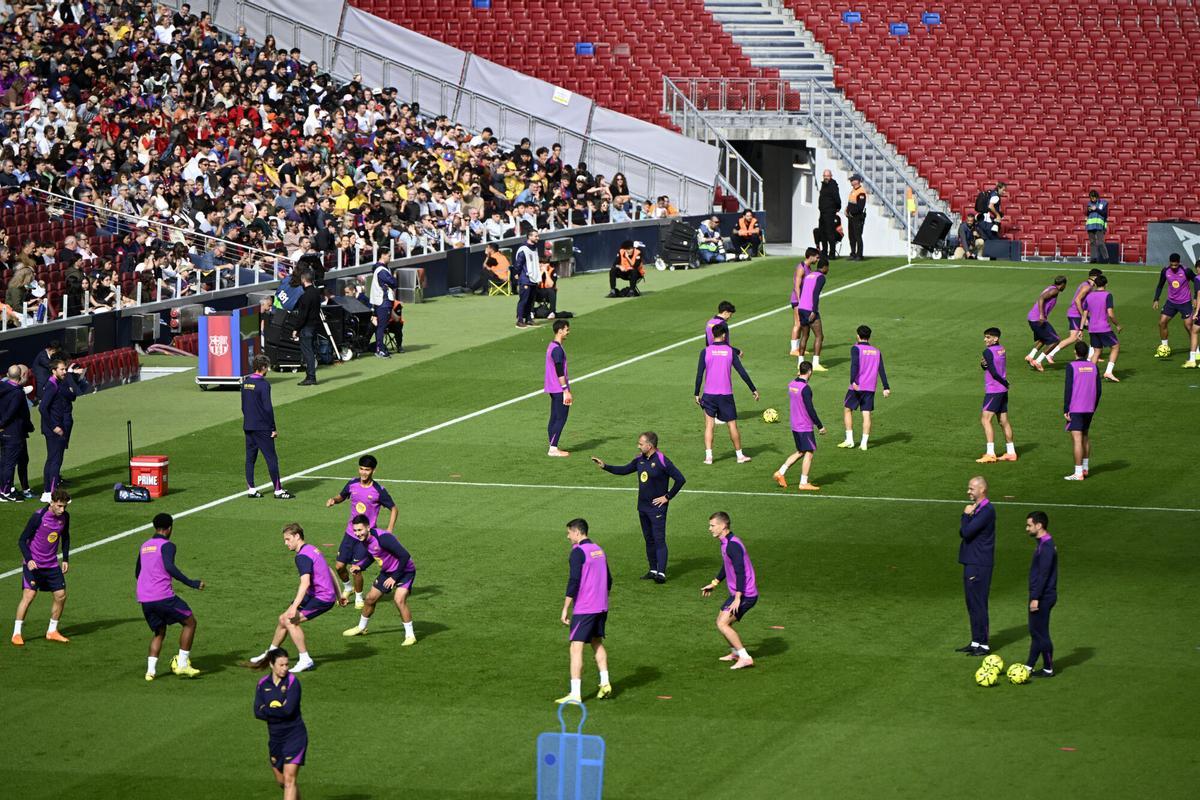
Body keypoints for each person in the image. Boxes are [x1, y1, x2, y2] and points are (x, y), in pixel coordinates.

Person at [248, 523, 347, 673]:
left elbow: (305, 583)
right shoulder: (312, 549)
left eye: (288, 539)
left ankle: (305, 659)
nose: (285, 543)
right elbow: (330, 570)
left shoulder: (302, 557)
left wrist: (294, 607)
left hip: (322, 598)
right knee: (283, 619)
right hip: (316, 595)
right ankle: (270, 655)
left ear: (297, 536)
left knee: (290, 621)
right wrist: (340, 595)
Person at [591, 432, 685, 583]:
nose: (638, 446)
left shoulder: (662, 460)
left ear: (650, 445)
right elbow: (624, 470)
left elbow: (680, 479)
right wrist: (605, 466)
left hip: (657, 509)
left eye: (641, 444)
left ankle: (661, 573)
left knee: (659, 539)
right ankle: (653, 569)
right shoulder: (639, 459)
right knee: (649, 539)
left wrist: (667, 497)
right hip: (642, 507)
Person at [136, 512, 205, 680]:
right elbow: (169, 566)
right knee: (190, 622)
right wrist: (191, 583)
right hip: (163, 596)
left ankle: (150, 672)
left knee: (159, 633)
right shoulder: (168, 545)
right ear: (169, 529)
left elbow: (138, 572)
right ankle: (182, 664)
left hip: (145, 598)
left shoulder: (144, 545)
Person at [326, 455, 396, 608]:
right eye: (361, 469)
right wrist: (334, 500)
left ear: (373, 471)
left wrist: (389, 529)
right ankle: (348, 587)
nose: (363, 473)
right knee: (339, 566)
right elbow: (341, 496)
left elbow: (394, 508)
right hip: (350, 533)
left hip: (365, 537)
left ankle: (358, 597)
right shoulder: (352, 484)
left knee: (356, 569)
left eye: (367, 470)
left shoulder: (378, 490)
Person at [556, 518, 612, 704]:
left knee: (576, 647)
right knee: (596, 641)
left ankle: (575, 694)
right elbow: (609, 580)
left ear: (577, 532)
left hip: (585, 607)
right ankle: (605, 683)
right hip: (601, 606)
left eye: (569, 532)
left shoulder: (578, 552)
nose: (568, 536)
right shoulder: (598, 550)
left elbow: (574, 581)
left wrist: (565, 608)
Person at [341, 516, 417, 645]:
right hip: (387, 572)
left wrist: (394, 577)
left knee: (399, 599)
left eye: (360, 530)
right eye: (355, 530)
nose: (357, 533)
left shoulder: (383, 538)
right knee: (370, 598)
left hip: (405, 571)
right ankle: (361, 627)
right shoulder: (364, 540)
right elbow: (373, 554)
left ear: (368, 527)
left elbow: (405, 555)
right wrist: (361, 566)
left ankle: (410, 636)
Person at [12, 488, 71, 646]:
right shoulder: (38, 517)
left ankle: (52, 631)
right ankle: (16, 633)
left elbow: (65, 537)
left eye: (64, 506)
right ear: (51, 502)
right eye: (59, 506)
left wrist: (65, 558)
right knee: (29, 596)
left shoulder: (65, 517)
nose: (62, 509)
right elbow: (22, 540)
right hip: (34, 565)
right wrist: (29, 559)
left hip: (51, 564)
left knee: (61, 595)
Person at [694, 322, 759, 465]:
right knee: (732, 425)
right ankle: (740, 455)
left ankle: (709, 457)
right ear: (724, 335)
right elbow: (742, 372)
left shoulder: (705, 351)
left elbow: (699, 374)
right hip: (726, 395)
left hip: (709, 394)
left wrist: (696, 393)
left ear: (712, 335)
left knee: (709, 425)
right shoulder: (730, 351)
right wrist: (753, 389)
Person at [701, 511, 758, 670]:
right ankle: (735, 653)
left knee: (723, 624)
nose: (710, 528)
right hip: (739, 593)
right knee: (720, 621)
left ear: (723, 525)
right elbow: (727, 565)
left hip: (746, 594)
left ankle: (745, 657)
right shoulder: (727, 542)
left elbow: (740, 571)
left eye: (712, 525)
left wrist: (738, 598)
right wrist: (714, 583)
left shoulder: (732, 545)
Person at [253, 648, 307, 800]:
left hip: (295, 735)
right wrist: (277, 709)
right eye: (281, 665)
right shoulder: (263, 684)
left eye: (286, 665)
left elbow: (288, 711)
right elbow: (257, 712)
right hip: (276, 738)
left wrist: (267, 710)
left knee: (290, 780)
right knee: (283, 781)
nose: (285, 668)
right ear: (272, 665)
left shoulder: (292, 682)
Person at [242, 354, 293, 500]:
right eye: (267, 367)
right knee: (271, 459)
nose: (268, 369)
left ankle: (251, 489)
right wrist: (272, 427)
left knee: (250, 459)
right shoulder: (264, 385)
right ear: (263, 367)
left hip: (248, 425)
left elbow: (243, 406)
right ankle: (278, 490)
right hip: (262, 427)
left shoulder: (245, 383)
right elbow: (267, 408)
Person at [38, 359, 88, 502]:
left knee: (51, 460)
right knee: (55, 461)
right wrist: (54, 426)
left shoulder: (56, 384)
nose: (65, 372)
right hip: (55, 429)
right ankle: (54, 496)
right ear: (54, 371)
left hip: (54, 428)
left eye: (65, 369)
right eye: (62, 369)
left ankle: (48, 492)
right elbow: (42, 408)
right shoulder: (52, 386)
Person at [957, 476, 995, 657]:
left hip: (979, 563)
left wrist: (965, 515)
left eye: (971, 488)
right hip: (973, 561)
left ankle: (984, 644)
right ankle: (975, 641)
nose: (968, 491)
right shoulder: (979, 509)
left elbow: (966, 532)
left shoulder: (986, 510)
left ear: (982, 490)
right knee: (971, 603)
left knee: (979, 603)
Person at [773, 362, 825, 491]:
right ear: (810, 372)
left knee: (801, 451)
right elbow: (810, 409)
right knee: (809, 452)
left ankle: (780, 472)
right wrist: (820, 426)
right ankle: (803, 482)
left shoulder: (792, 384)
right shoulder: (805, 389)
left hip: (795, 424)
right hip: (804, 425)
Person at [839, 325, 891, 450]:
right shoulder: (877, 351)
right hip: (870, 387)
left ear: (858, 335)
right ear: (869, 336)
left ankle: (850, 440)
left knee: (847, 409)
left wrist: (853, 381)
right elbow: (881, 370)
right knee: (866, 413)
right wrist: (886, 387)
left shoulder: (856, 348)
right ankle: (864, 444)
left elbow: (854, 366)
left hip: (857, 386)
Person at [1023, 511, 1058, 678]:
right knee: (1035, 631)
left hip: (1043, 596)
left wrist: (1036, 597)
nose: (1027, 528)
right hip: (1041, 594)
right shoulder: (1044, 544)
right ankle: (1029, 666)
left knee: (1040, 633)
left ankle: (1048, 668)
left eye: (1029, 525)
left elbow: (1043, 574)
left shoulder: (1046, 547)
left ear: (1039, 525)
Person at [976, 327, 1017, 464]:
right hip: (1003, 390)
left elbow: (993, 372)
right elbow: (995, 366)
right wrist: (984, 366)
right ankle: (1011, 452)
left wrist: (1005, 382)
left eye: (988, 337)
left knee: (985, 419)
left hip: (994, 389)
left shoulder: (987, 351)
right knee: (1003, 421)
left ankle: (990, 453)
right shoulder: (1002, 349)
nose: (985, 340)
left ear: (995, 338)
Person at [1062, 341, 1101, 481]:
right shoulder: (1094, 367)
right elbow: (1099, 390)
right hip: (1089, 408)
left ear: (1075, 352)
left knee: (1077, 439)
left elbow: (1068, 388)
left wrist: (1066, 408)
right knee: (1085, 436)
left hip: (1076, 408)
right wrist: (1094, 407)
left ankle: (1078, 473)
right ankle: (1085, 468)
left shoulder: (1071, 366)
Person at [1051, 268, 1102, 361]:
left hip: (1077, 314)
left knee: (1095, 330)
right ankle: (1050, 354)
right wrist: (1084, 316)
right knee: (1073, 337)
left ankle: (1092, 356)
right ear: (1095, 277)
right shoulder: (1087, 287)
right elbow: (1077, 300)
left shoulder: (1088, 285)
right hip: (1075, 314)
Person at [0, 364, 34, 502]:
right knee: (9, 463)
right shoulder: (18, 393)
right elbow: (13, 412)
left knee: (3, 461)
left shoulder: (2, 388)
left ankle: (3, 489)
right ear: (21, 376)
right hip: (13, 431)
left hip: (3, 431)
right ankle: (6, 492)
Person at [1151, 253, 1195, 358]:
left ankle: (1196, 349)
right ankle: (1164, 347)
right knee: (1162, 322)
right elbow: (1160, 285)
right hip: (1171, 302)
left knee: (1188, 326)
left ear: (1179, 263)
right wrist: (1156, 299)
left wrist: (1196, 298)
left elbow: (1197, 282)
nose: (1174, 267)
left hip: (1185, 302)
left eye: (1175, 265)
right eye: (1172, 265)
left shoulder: (1186, 271)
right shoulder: (1165, 271)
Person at [1081, 274, 1122, 382]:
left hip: (1092, 328)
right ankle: (1108, 372)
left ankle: (1089, 375)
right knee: (1115, 346)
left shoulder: (1089, 296)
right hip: (1104, 328)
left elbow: (1084, 314)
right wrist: (1117, 325)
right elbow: (1111, 314)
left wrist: (1081, 329)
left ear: (1095, 284)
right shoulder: (1108, 295)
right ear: (1106, 284)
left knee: (1097, 351)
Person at [1023, 276, 1068, 372]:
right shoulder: (1055, 291)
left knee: (1044, 339)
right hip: (1037, 318)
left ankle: (1030, 356)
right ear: (1063, 284)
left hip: (1032, 318)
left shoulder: (1050, 287)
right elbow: (1041, 298)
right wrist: (1042, 315)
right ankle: (1038, 361)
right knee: (1055, 340)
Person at [286, 268, 322, 385]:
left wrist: (296, 329)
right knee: (310, 352)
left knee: (308, 353)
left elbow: (302, 315)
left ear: (303, 279)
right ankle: (310, 376)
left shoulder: (305, 296)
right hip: (313, 325)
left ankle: (311, 377)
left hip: (306, 327)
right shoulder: (316, 293)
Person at [545, 320, 572, 457]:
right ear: (560, 330)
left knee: (554, 417)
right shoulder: (557, 349)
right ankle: (553, 448)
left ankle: (552, 445)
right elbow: (559, 370)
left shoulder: (551, 346)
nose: (568, 332)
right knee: (561, 418)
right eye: (567, 329)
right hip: (558, 389)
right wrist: (565, 390)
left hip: (552, 387)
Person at [796, 257, 829, 371]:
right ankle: (815, 363)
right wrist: (814, 311)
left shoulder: (809, 275)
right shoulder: (821, 277)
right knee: (819, 336)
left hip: (801, 308)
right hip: (810, 309)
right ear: (824, 267)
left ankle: (800, 362)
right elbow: (815, 294)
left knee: (805, 335)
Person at [789, 248, 819, 356]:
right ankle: (793, 349)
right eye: (816, 257)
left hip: (802, 301)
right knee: (798, 323)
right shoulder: (801, 268)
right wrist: (800, 301)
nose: (817, 259)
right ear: (811, 256)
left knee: (802, 324)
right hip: (797, 300)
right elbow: (797, 286)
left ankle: (797, 347)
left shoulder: (808, 267)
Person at [368, 261, 398, 358]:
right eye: (388, 255)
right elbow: (394, 283)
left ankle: (379, 348)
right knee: (381, 327)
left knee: (380, 327)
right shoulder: (381, 271)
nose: (390, 257)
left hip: (379, 302)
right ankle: (380, 349)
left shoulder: (379, 270)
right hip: (383, 302)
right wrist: (393, 279)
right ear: (383, 255)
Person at [514, 230, 540, 328]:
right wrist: (517, 274)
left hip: (533, 278)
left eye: (538, 236)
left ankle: (528, 319)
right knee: (523, 300)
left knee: (530, 300)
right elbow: (518, 264)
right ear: (529, 237)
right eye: (536, 236)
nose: (538, 238)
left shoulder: (535, 248)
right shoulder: (523, 249)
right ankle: (520, 320)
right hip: (526, 278)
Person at [817, 170, 840, 259]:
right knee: (822, 233)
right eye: (824, 175)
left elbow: (837, 199)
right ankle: (824, 252)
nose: (826, 177)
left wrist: (837, 207)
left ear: (831, 176)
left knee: (830, 233)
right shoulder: (824, 184)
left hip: (829, 212)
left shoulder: (833, 185)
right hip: (822, 213)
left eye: (828, 176)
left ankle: (832, 253)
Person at [845, 174, 867, 260]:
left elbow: (860, 207)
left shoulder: (861, 192)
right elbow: (850, 203)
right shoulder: (853, 190)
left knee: (858, 236)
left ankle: (859, 254)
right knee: (851, 236)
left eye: (852, 180)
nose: (851, 181)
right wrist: (847, 210)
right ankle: (853, 253)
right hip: (851, 217)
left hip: (857, 217)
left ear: (857, 181)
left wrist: (851, 212)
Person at [1085, 190, 1109, 264]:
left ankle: (1106, 259)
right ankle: (1093, 259)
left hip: (1099, 226)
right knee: (1092, 242)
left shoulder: (1103, 203)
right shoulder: (1089, 204)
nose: (1092, 199)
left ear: (1097, 197)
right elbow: (1087, 213)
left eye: (1093, 197)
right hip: (1090, 226)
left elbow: (1105, 214)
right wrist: (1089, 210)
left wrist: (1096, 209)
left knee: (1101, 242)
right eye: (1091, 198)